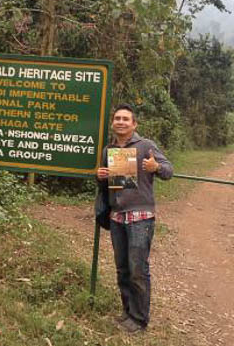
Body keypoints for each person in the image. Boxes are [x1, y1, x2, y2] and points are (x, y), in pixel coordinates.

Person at [96, 103, 173, 334]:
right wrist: (100, 176)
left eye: (125, 119)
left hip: (140, 216)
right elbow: (108, 185)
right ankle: (128, 312)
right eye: (117, 118)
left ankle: (140, 319)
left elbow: (169, 171)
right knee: (122, 269)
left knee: (138, 268)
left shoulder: (146, 145)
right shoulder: (108, 150)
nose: (121, 122)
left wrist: (155, 166)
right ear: (113, 123)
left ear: (134, 124)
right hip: (117, 215)